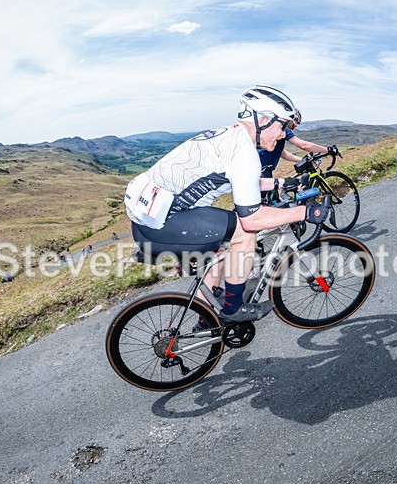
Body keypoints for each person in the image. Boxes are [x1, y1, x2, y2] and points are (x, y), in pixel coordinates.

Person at [124, 84, 332, 324]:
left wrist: (283, 183)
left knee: (222, 249)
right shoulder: (245, 154)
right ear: (264, 120)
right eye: (282, 125)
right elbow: (252, 219)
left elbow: (243, 180)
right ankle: (233, 309)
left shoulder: (228, 135)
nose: (284, 134)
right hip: (162, 224)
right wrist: (305, 212)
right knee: (244, 233)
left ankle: (207, 319)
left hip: (147, 215)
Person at [257, 109, 332, 180]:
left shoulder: (274, 126)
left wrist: (302, 160)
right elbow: (303, 145)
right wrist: (328, 150)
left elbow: (281, 153)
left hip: (261, 168)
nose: (295, 127)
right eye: (295, 123)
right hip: (262, 169)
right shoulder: (282, 128)